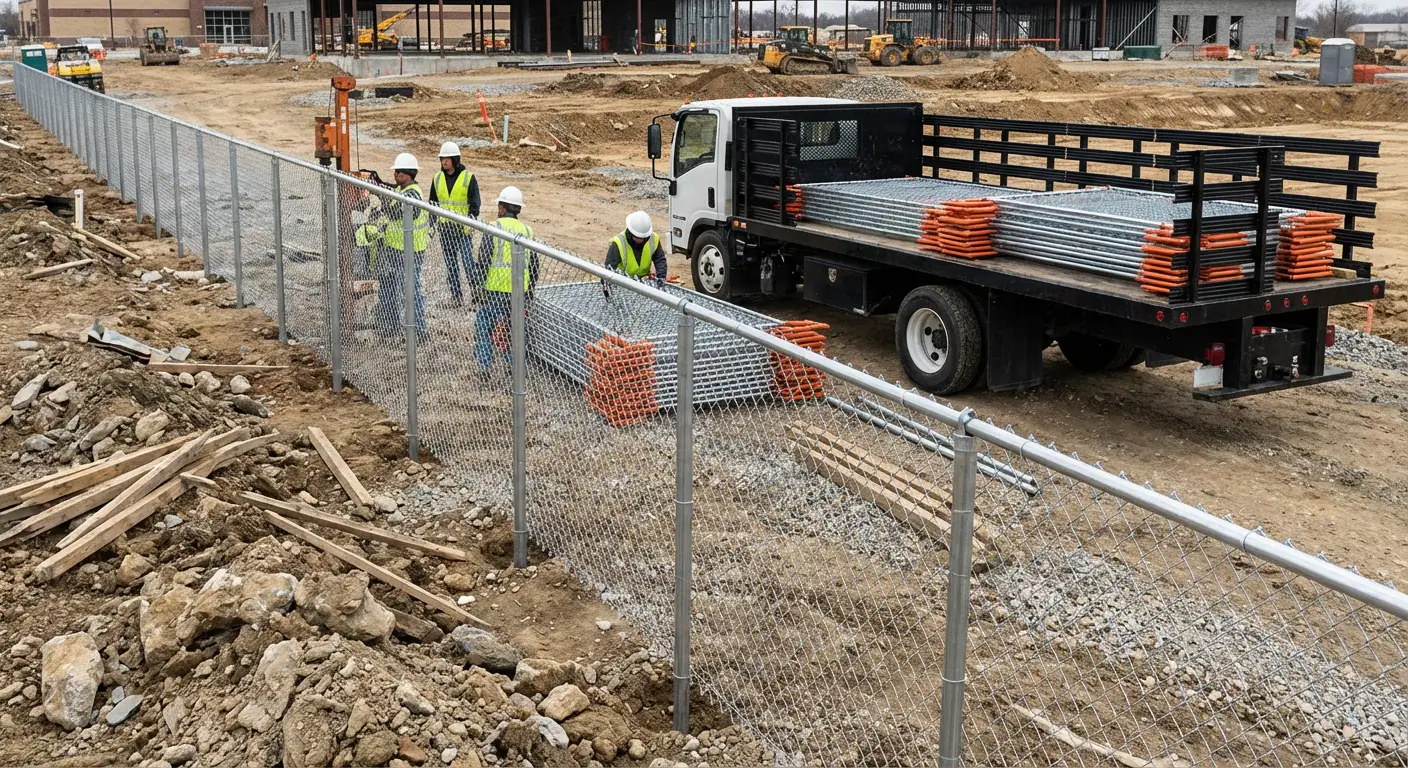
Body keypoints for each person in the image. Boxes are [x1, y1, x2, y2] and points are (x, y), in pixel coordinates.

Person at [474, 186, 538, 378]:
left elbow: (484, 259)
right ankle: (514, 365)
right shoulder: (528, 231)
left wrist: (478, 286)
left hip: (495, 288)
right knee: (515, 328)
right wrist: (530, 288)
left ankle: (484, 365)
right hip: (520, 290)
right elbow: (534, 265)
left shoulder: (494, 227)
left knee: (484, 324)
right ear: (518, 209)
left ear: (502, 208)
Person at [375, 152, 430, 339]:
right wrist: (378, 184)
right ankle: (391, 327)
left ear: (407, 174)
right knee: (390, 288)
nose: (395, 175)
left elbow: (395, 213)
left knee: (409, 292)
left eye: (398, 172)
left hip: (409, 251)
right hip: (394, 249)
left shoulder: (412, 194)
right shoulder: (402, 190)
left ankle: (417, 331)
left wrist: (380, 197)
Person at [428, 141, 481, 306]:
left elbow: (475, 204)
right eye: (442, 159)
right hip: (445, 229)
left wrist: (471, 223)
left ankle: (477, 294)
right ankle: (456, 296)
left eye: (447, 158)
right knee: (451, 264)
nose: (444, 162)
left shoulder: (468, 178)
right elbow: (433, 203)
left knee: (468, 262)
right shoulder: (437, 179)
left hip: (462, 230)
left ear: (455, 159)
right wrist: (432, 223)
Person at [605, 210, 667, 280]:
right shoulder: (618, 243)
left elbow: (659, 259)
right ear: (630, 233)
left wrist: (661, 278)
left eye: (643, 238)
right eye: (637, 237)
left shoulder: (653, 239)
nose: (640, 240)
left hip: (644, 280)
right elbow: (609, 268)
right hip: (622, 281)